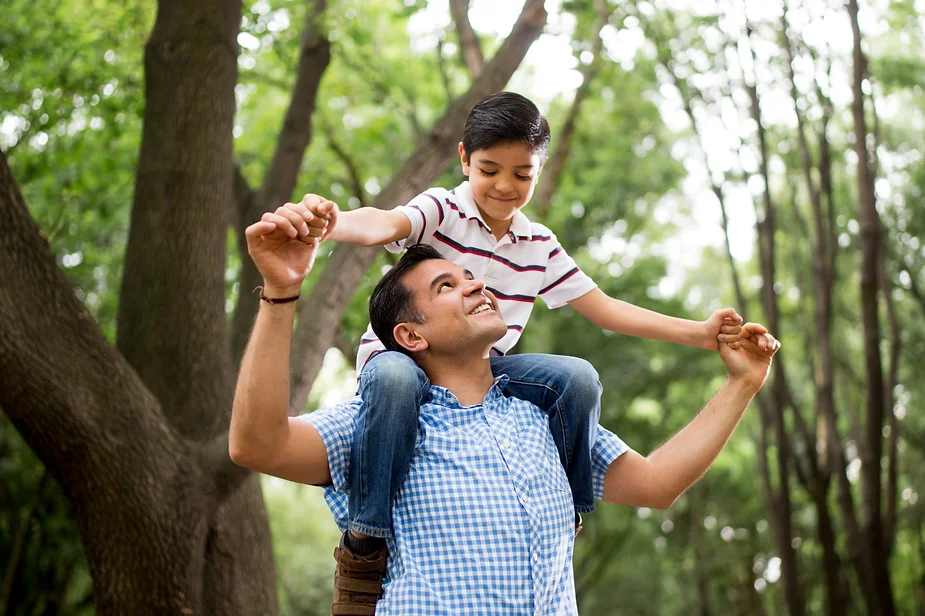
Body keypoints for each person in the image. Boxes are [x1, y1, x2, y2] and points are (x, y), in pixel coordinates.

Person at [284, 91, 743, 605]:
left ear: (539, 171)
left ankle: (564, 507)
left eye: (522, 174)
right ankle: (366, 539)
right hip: (405, 359)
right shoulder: (443, 208)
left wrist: (698, 333)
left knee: (576, 378)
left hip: (486, 367)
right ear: (464, 160)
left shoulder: (539, 245)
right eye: (489, 170)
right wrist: (332, 223)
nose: (504, 186)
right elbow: (385, 223)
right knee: (393, 382)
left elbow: (606, 309)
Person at [229, 228, 779, 615]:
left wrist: (742, 384)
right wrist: (281, 290)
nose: (475, 285)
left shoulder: (546, 416)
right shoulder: (379, 423)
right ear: (410, 336)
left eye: (470, 276)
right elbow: (256, 443)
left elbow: (657, 486)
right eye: (446, 286)